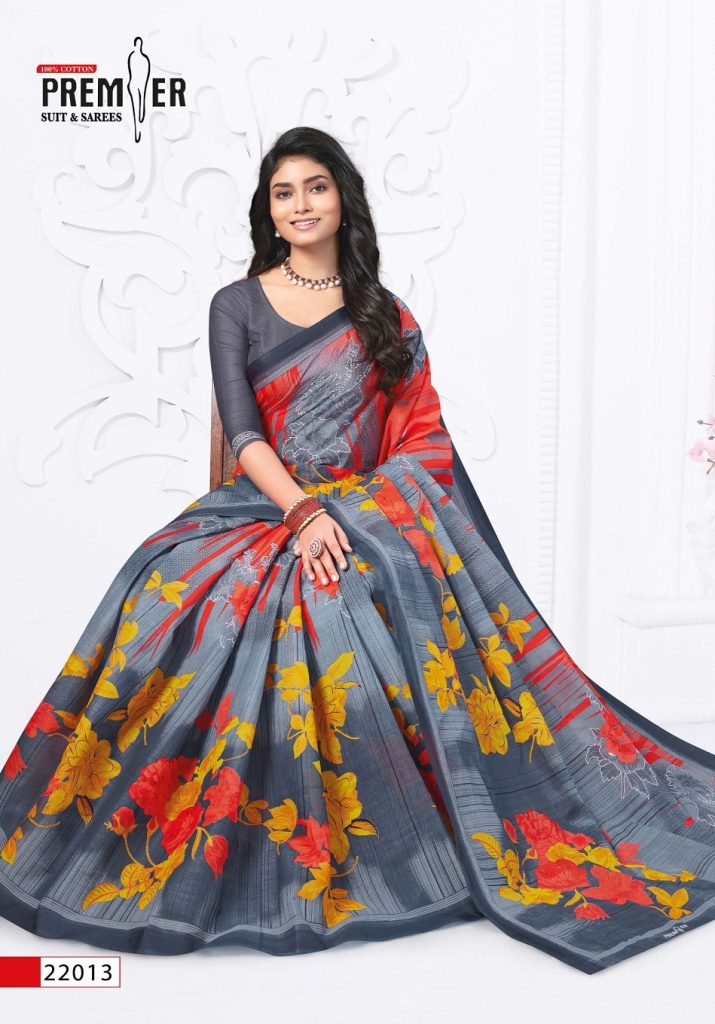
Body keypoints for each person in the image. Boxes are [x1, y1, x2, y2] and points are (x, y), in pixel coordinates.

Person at [0, 127, 713, 975]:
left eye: (315, 187)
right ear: (268, 211)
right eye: (283, 192)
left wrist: (352, 513)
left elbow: (421, 446)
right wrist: (304, 513)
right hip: (265, 502)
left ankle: (397, 843)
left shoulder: (384, 313)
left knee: (330, 594)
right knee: (163, 587)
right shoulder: (236, 304)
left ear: (343, 199)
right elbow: (243, 434)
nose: (300, 205)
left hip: (367, 511)